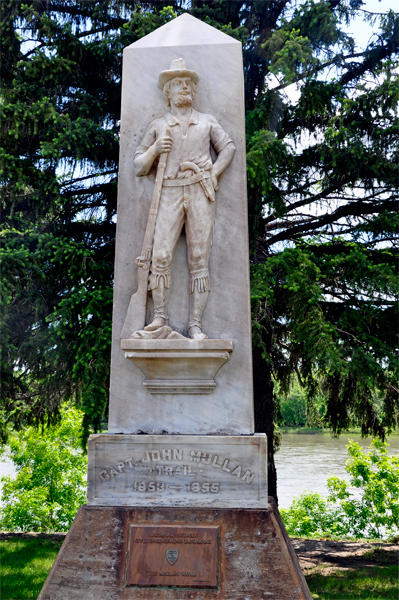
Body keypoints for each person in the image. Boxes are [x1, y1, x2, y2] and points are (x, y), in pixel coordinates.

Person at [133, 58, 236, 340]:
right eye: (178, 84)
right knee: (161, 255)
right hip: (168, 191)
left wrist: (213, 173)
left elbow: (228, 147)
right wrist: (154, 149)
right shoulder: (158, 125)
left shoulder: (207, 121)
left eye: (188, 84)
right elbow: (138, 166)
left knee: (199, 258)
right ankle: (159, 319)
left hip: (199, 191)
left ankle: (195, 325)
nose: (184, 88)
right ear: (167, 92)